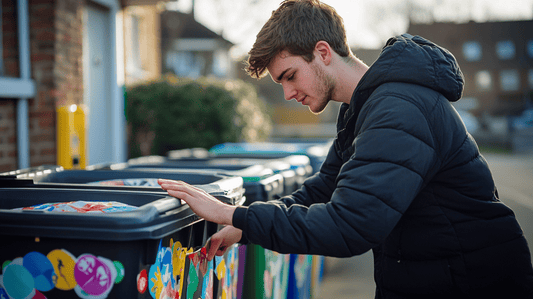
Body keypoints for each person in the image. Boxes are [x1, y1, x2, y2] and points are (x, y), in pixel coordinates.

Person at [158, 0, 533, 297]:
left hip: (470, 281)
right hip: (431, 275)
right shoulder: (361, 111)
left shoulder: (398, 109)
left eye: (290, 76)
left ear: (323, 52)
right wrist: (243, 224)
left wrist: (235, 216)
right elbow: (322, 192)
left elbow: (350, 224)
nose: (288, 93)